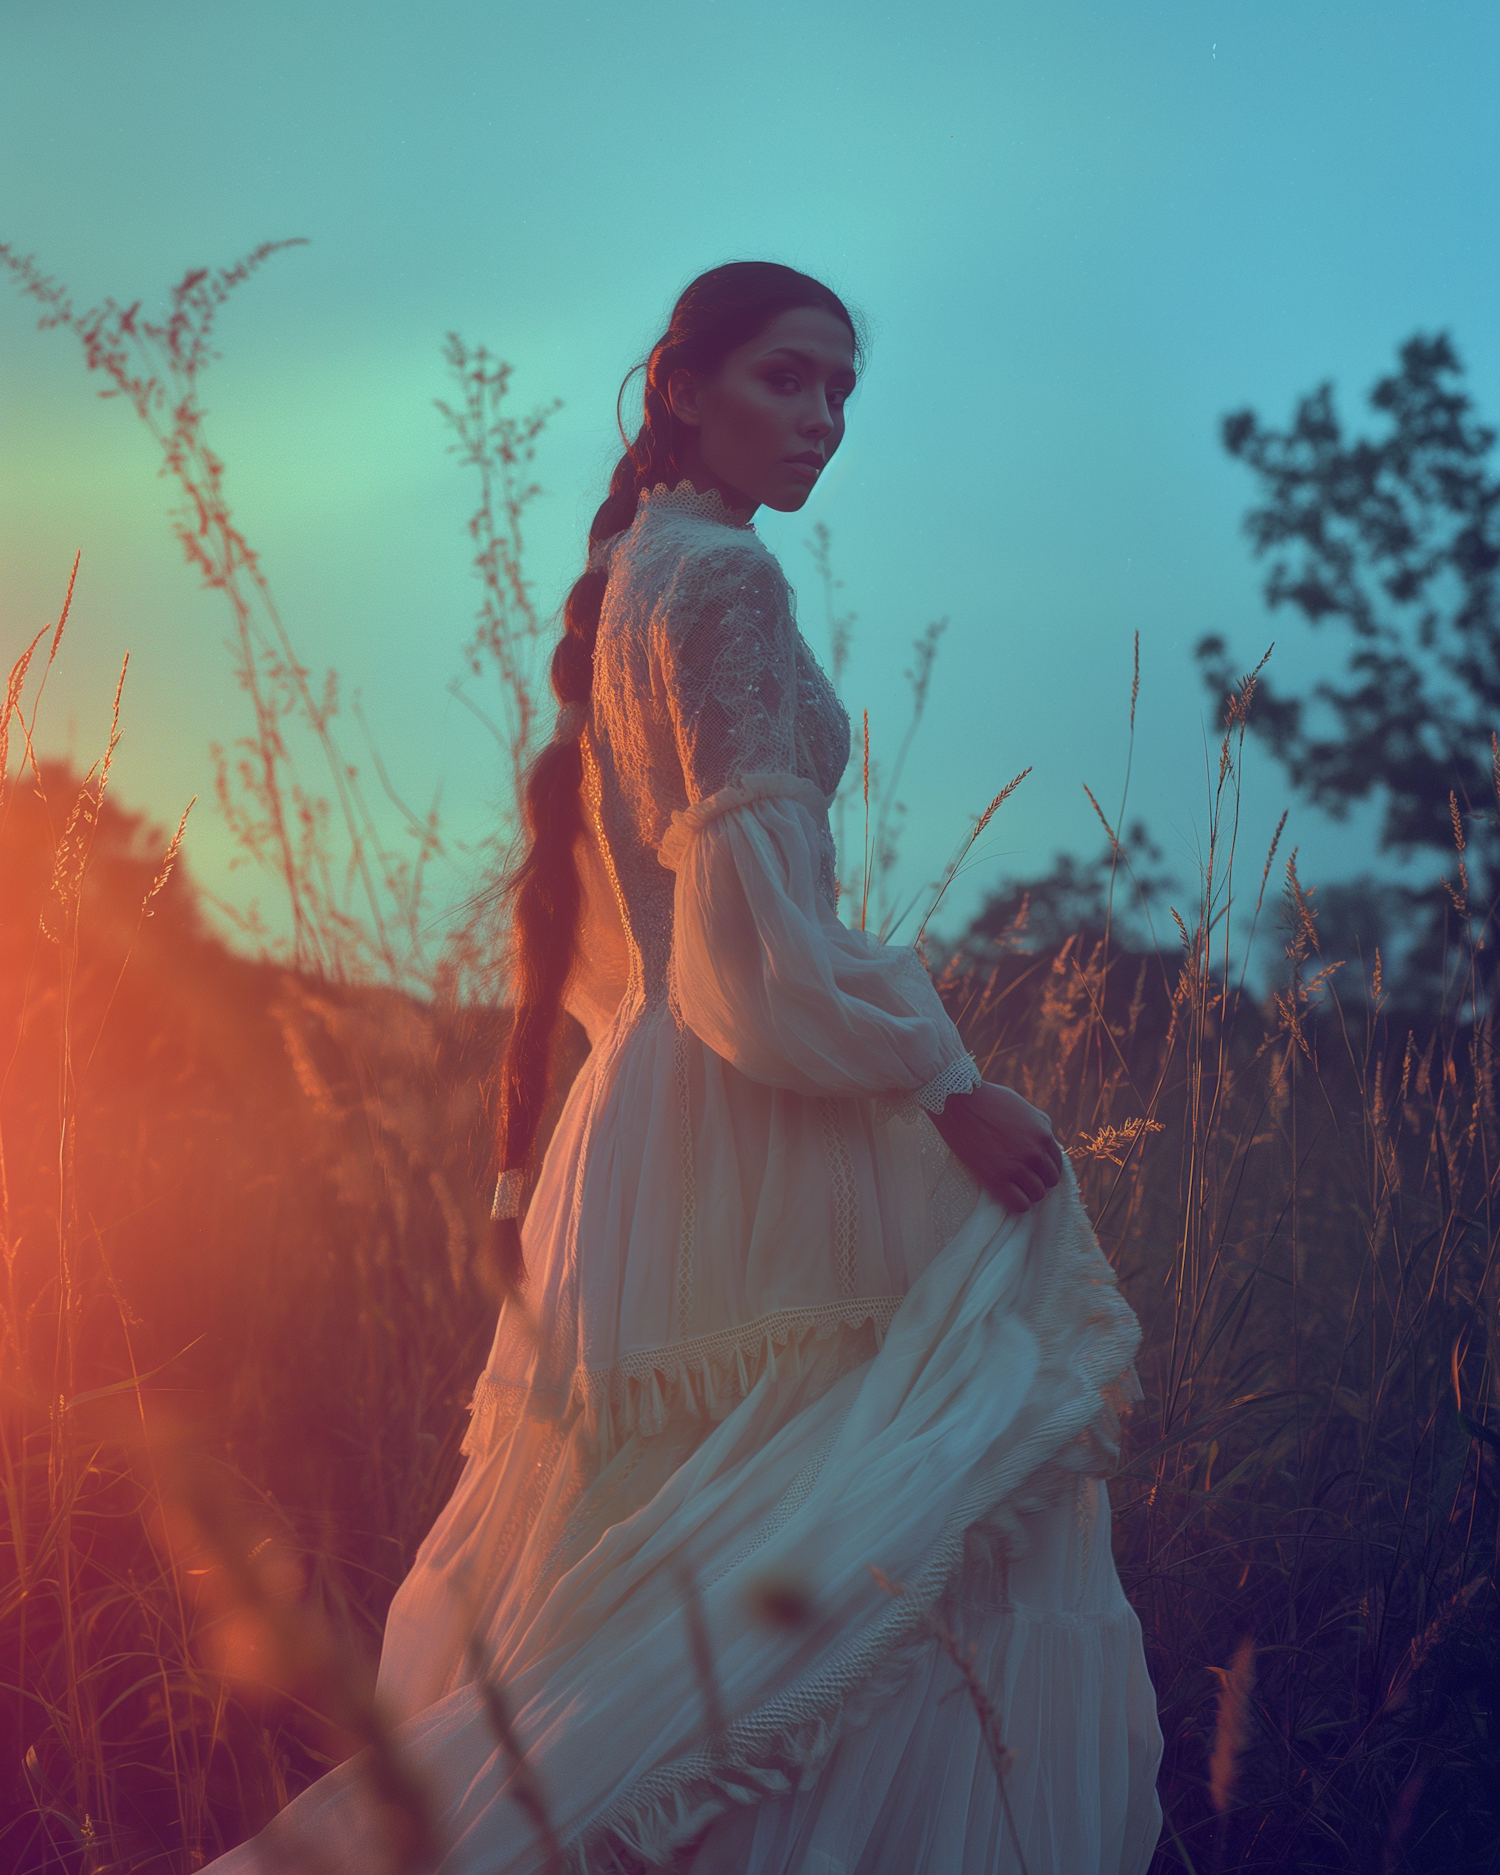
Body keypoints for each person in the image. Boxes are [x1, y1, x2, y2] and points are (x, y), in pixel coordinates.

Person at [213, 261, 1162, 1874]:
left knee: (673, 1564)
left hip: (650, 1126)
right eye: (791, 380)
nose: (824, 421)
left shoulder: (642, 574)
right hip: (757, 1123)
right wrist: (945, 1081)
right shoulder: (722, 586)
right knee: (843, 1540)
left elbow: (638, 956)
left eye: (843, 395)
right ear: (684, 386)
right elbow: (757, 948)